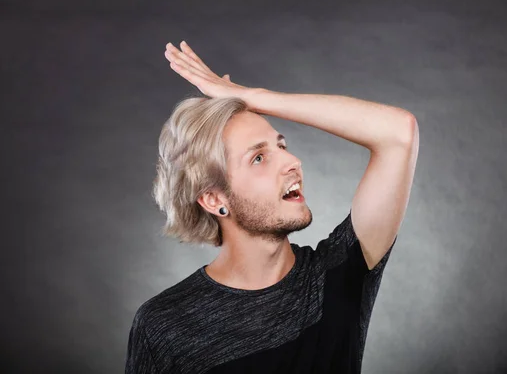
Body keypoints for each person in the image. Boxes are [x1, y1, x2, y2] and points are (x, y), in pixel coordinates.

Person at [125, 41, 419, 373]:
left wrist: (250, 96)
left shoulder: (339, 274)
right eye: (259, 157)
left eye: (283, 146)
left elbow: (398, 132)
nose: (293, 161)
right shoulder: (164, 326)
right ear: (214, 199)